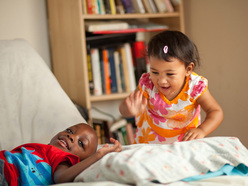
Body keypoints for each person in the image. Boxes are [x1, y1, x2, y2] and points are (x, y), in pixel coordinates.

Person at [119, 30, 223, 144]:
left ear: (188, 69)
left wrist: (202, 130)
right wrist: (128, 110)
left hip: (184, 144)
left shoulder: (195, 87)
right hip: (149, 143)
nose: (161, 81)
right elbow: (123, 108)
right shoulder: (148, 84)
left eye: (170, 74)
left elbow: (215, 111)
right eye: (154, 72)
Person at [0, 123, 121, 185]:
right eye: (70, 131)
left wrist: (98, 155)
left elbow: (60, 178)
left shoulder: (64, 159)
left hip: (6, 175)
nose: (71, 136)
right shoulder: (45, 150)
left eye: (81, 143)